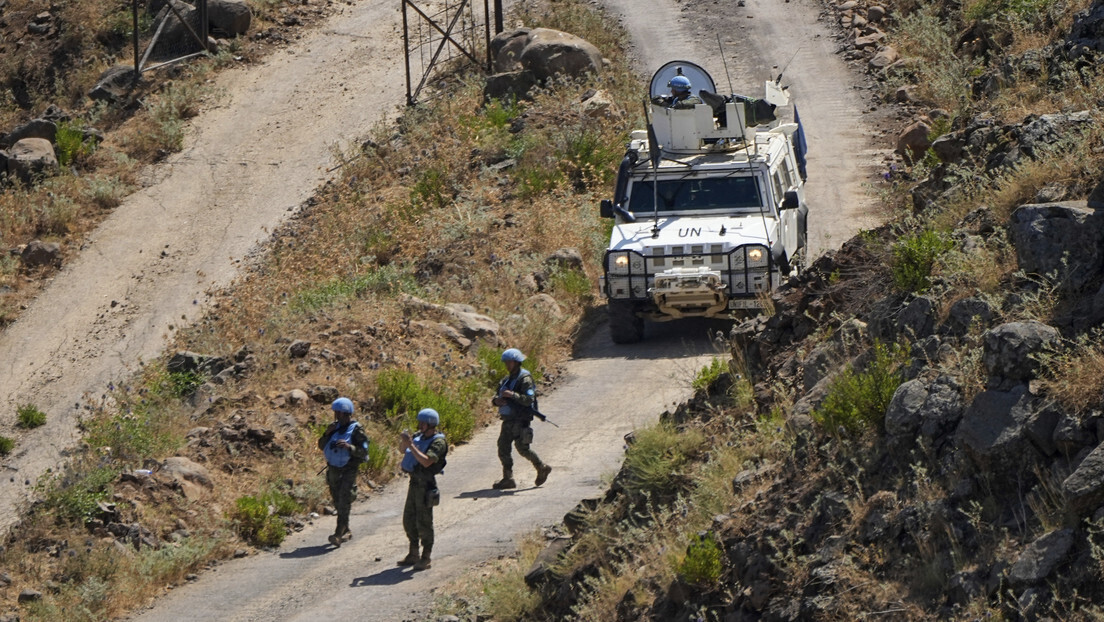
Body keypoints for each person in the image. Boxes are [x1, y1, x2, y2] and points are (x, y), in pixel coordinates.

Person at [491, 348, 551, 489]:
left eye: (509, 362)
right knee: (503, 447)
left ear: (516, 362)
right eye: (505, 362)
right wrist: (496, 401)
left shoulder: (524, 379)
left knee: (522, 448)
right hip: (508, 419)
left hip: (520, 419)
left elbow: (529, 399)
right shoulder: (506, 380)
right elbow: (497, 396)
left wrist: (512, 395)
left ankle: (541, 467)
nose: (507, 365)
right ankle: (508, 478)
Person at [397, 408, 447, 571]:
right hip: (414, 483)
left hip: (426, 485)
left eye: (423, 423)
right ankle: (413, 553)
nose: (420, 425)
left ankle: (426, 556)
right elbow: (403, 450)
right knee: (409, 519)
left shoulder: (438, 442)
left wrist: (411, 444)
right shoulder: (419, 438)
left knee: (424, 522)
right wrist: (406, 442)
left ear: (431, 424)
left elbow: (427, 462)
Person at [317, 397, 370, 547]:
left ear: (347, 414)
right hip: (333, 469)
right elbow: (321, 446)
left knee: (344, 498)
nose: (338, 417)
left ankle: (338, 533)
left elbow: (364, 452)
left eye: (340, 414)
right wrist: (327, 434)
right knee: (337, 500)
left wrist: (349, 447)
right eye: (336, 413)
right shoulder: (333, 427)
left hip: (348, 469)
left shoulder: (357, 430)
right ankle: (346, 529)